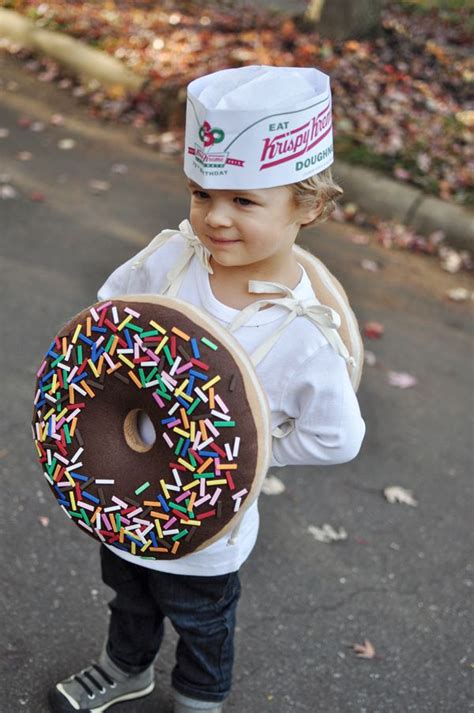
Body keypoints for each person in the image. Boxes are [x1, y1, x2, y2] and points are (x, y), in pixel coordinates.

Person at [49, 65, 366, 713]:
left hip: (205, 529)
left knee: (202, 621)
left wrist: (243, 447)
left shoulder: (303, 330)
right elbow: (109, 313)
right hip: (126, 497)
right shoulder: (172, 259)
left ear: (308, 206)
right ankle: (125, 665)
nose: (215, 218)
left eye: (244, 200)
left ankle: (200, 695)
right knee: (129, 593)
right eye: (202, 193)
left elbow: (338, 438)